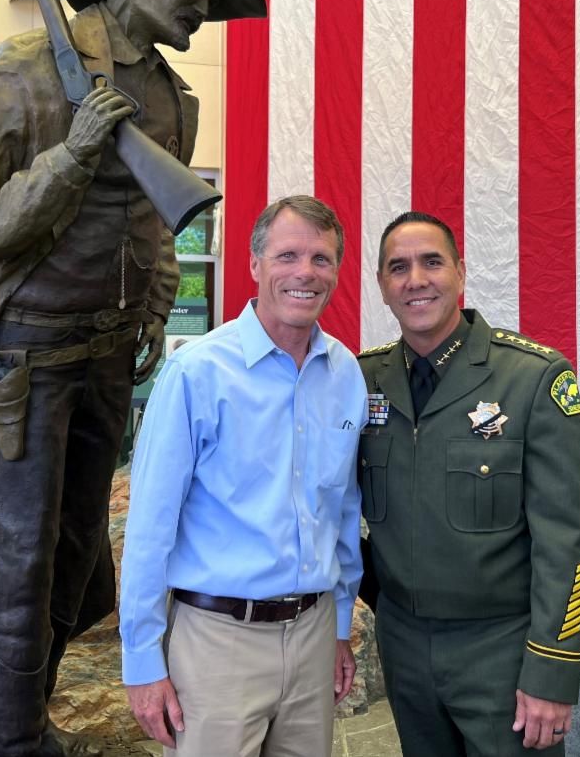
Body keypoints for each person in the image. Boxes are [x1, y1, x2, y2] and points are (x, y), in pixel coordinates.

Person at [0, 0, 265, 755]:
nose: (202, 9)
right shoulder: (25, 70)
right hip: (24, 356)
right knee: (17, 563)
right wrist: (72, 155)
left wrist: (155, 302)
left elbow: (155, 223)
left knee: (76, 556)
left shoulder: (173, 99)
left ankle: (28, 716)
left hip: (109, 356)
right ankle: (10, 742)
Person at [120, 196, 366, 757]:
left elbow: (342, 512)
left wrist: (339, 626)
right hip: (216, 643)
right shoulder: (196, 372)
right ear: (255, 264)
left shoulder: (345, 374)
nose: (306, 272)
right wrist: (142, 660)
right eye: (288, 255)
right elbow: (150, 527)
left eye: (321, 259)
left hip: (313, 637)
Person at [357, 212, 580, 756]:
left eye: (432, 262)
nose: (416, 279)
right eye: (398, 267)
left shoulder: (533, 378)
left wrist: (552, 669)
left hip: (502, 650)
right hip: (404, 645)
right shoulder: (363, 380)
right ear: (383, 286)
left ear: (460, 273)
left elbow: (568, 543)